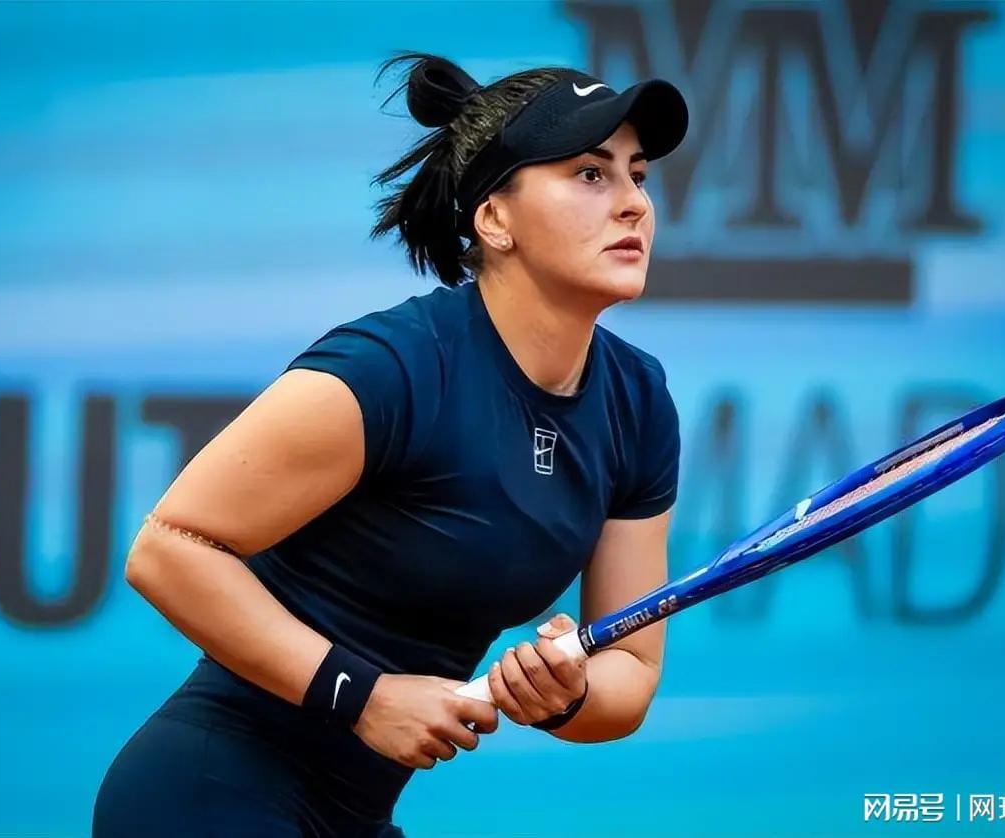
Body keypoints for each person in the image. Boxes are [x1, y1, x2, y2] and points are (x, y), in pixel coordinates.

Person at [92, 52, 688, 837]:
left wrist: (565, 693)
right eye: (589, 173)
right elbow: (168, 549)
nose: (634, 204)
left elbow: (631, 672)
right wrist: (361, 695)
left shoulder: (638, 403)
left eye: (637, 176)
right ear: (494, 220)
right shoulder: (393, 368)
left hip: (354, 816)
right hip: (206, 795)